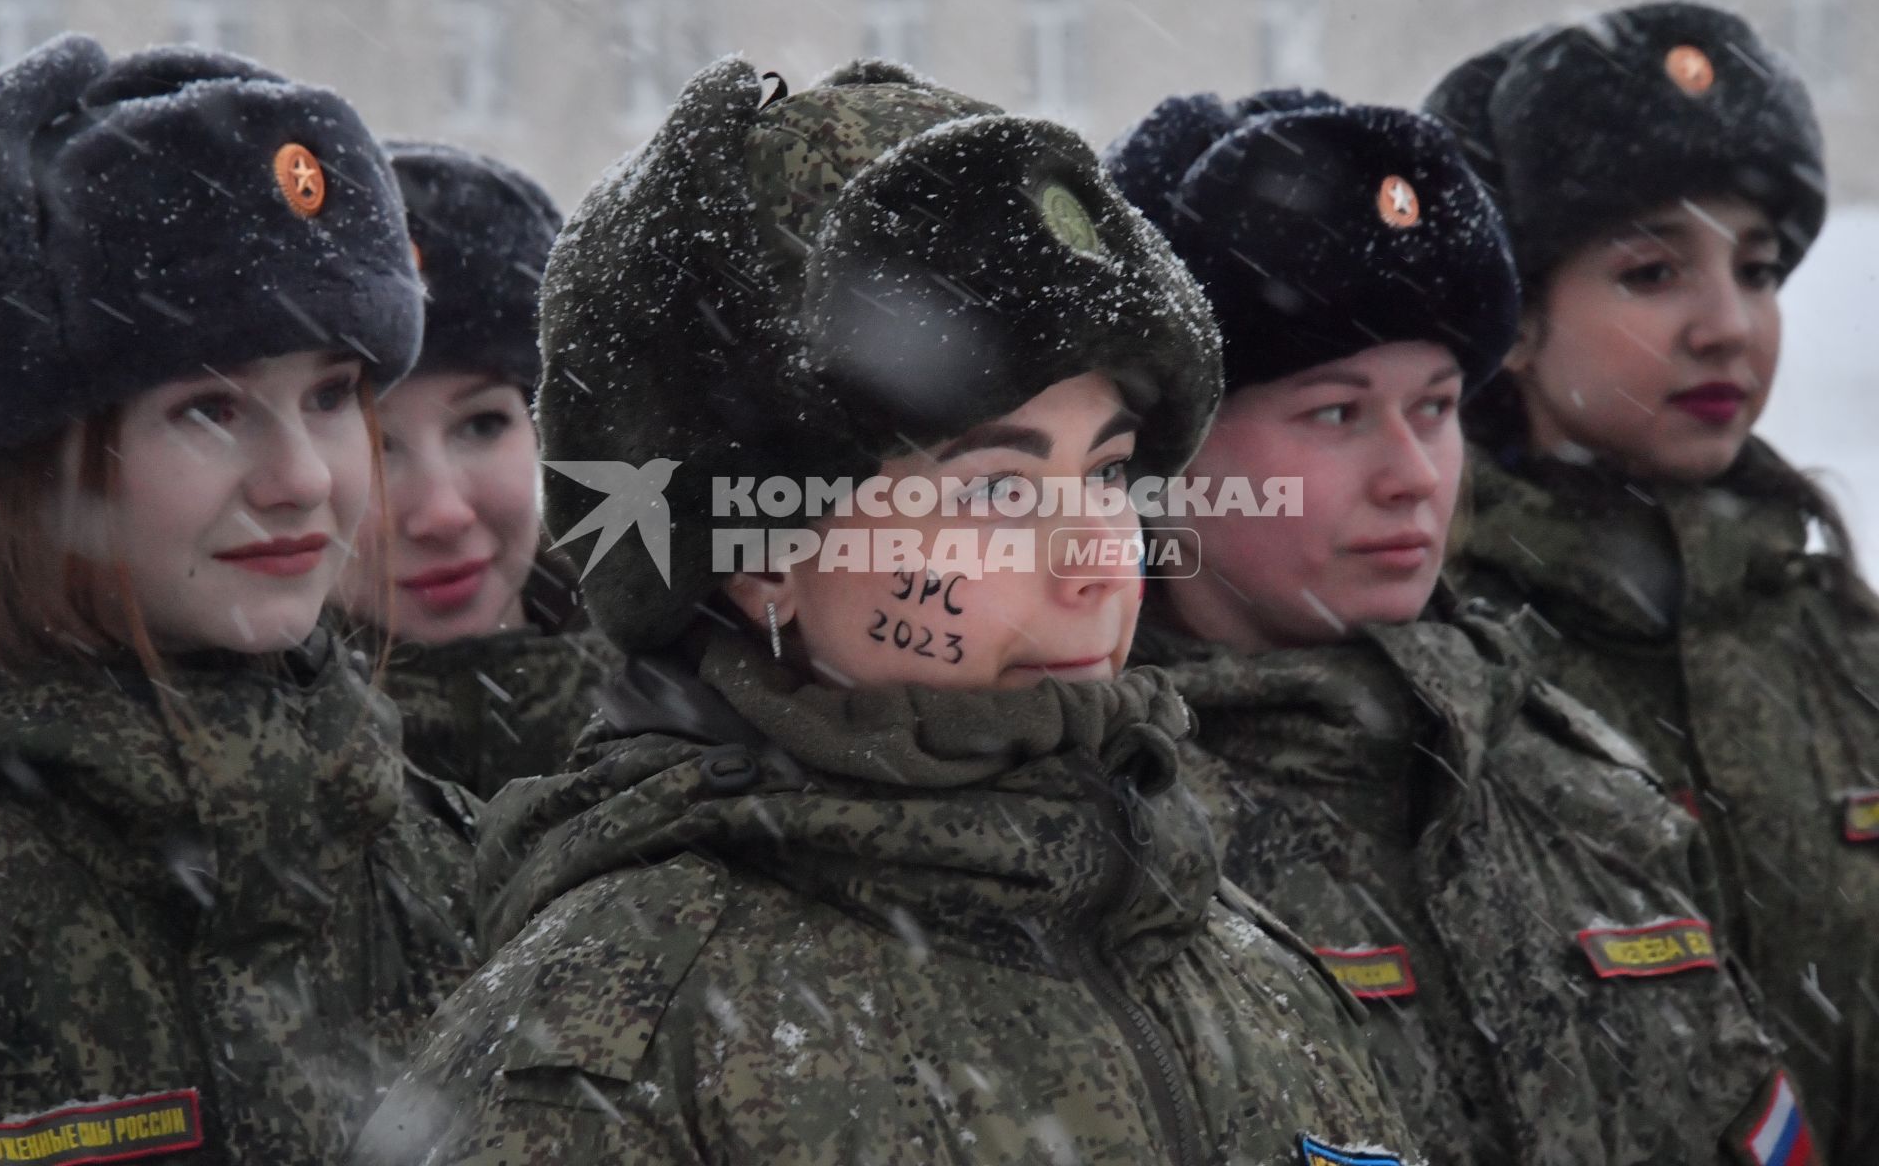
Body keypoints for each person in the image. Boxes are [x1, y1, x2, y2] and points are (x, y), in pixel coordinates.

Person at [355, 57, 1423, 1166]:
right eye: (996, 490)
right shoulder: (614, 1046)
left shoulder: (1239, 960)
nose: (1095, 563)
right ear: (758, 555)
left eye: (1107, 475)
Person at [1109, 89, 1812, 1164]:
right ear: (1167, 458)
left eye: (1434, 406)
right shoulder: (1113, 833)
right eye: (1337, 412)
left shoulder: (1568, 780)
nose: (1410, 476)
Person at [0, 35, 478, 1164]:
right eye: (211, 408)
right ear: (29, 464)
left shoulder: (434, 851)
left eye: (334, 395)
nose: (301, 477)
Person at [1425, 0, 1879, 1158]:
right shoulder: (1431, 666)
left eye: (1760, 267)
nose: (1729, 325)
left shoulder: (1841, 644)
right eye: (1652, 271)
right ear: (1513, 321)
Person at [334, 140, 617, 799]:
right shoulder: (214, 775)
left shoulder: (712, 698)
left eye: (482, 424)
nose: (443, 512)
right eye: (373, 446)